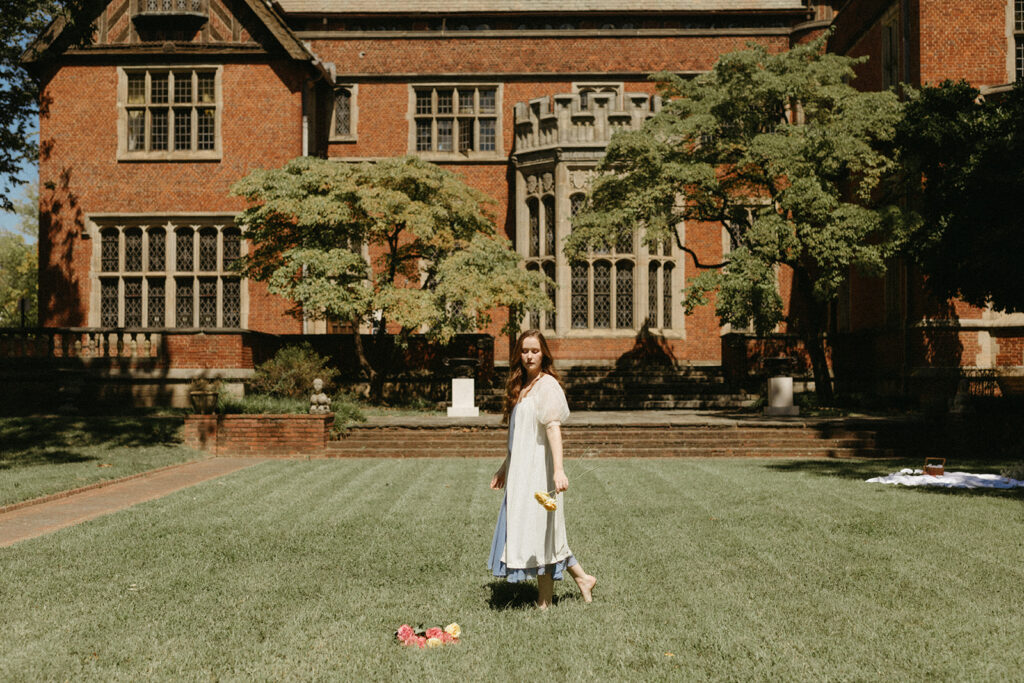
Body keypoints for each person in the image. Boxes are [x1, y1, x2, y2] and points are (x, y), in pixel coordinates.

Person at [487, 329, 597, 608]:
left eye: (534, 350)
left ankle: (544, 603)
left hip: (540, 473)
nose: (529, 356)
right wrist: (504, 468)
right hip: (520, 475)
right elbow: (520, 438)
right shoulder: (522, 387)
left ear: (543, 353)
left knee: (545, 531)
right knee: (538, 530)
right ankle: (583, 579)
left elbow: (553, 428)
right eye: (524, 351)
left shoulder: (547, 386)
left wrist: (558, 470)